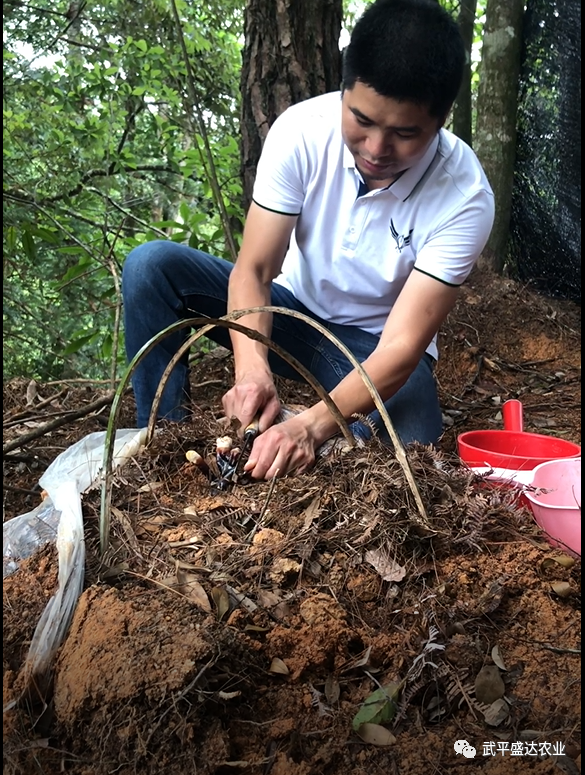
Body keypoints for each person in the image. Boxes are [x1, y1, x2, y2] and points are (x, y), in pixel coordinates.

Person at [121, 0, 494, 481]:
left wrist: (312, 426)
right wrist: (252, 368)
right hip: (289, 313)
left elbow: (402, 347)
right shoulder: (301, 132)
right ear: (344, 89)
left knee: (416, 422)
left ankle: (328, 442)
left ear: (441, 119)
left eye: (405, 134)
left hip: (369, 350)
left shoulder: (464, 195)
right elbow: (253, 271)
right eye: (361, 120)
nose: (377, 149)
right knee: (151, 267)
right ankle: (163, 443)